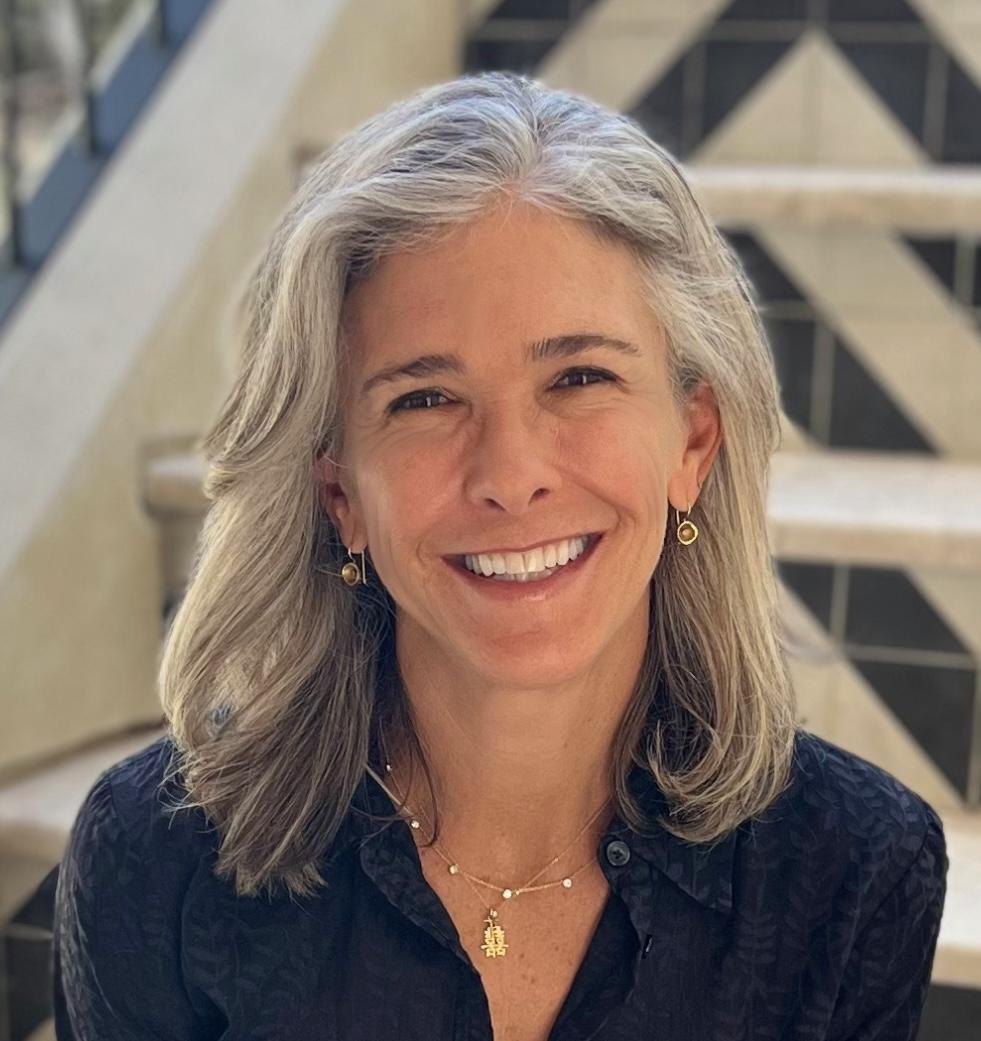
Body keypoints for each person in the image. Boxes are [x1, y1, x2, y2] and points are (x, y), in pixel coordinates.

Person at [52, 70, 948, 1041]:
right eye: (425, 399)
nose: (511, 476)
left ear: (692, 443)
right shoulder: (157, 859)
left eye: (579, 377)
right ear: (339, 494)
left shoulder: (854, 869)